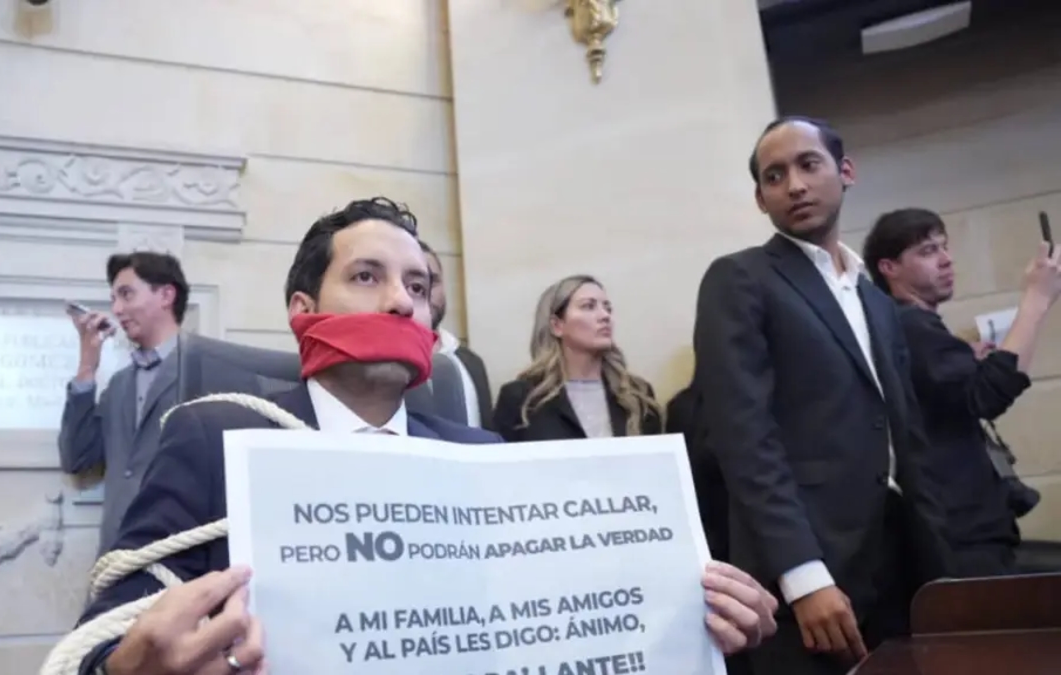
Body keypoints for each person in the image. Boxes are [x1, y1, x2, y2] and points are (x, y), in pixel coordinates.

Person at [72, 197, 780, 675]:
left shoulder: (482, 457)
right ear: (304, 309)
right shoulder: (214, 436)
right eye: (367, 276)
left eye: (417, 286)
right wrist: (133, 666)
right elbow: (100, 642)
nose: (400, 302)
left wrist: (692, 621)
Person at [693, 117, 951, 675]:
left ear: (846, 171)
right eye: (774, 176)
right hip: (808, 571)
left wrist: (939, 564)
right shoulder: (741, 280)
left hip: (901, 560)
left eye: (809, 165)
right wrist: (803, 575)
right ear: (760, 199)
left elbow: (905, 435)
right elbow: (745, 441)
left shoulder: (875, 299)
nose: (795, 185)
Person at [862, 207, 1061, 576]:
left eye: (944, 246)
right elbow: (987, 395)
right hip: (962, 534)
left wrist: (965, 360)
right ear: (889, 267)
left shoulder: (903, 325)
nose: (946, 259)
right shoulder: (910, 325)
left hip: (962, 528)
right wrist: (1036, 299)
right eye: (927, 251)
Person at [58, 252, 275, 554]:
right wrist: (87, 368)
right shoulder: (119, 385)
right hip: (118, 557)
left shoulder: (219, 370)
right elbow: (77, 458)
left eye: (126, 294)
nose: (117, 309)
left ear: (166, 295)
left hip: (186, 557)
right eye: (114, 299)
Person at [493, 275, 663, 442]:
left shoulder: (637, 395)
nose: (605, 316)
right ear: (557, 325)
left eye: (608, 308)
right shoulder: (521, 399)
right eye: (588, 306)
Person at [420, 239, 495, 429]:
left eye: (433, 280)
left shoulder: (471, 362)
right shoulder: (378, 365)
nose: (424, 291)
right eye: (414, 283)